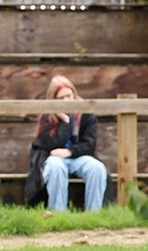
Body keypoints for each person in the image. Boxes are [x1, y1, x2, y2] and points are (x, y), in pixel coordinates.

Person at [31, 75, 107, 212]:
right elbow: (50, 146)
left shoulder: (86, 113)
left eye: (68, 96)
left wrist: (70, 152)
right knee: (56, 167)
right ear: (53, 100)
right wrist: (65, 122)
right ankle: (59, 214)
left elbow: (89, 144)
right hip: (54, 157)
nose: (66, 101)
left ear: (74, 94)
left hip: (79, 156)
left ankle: (94, 214)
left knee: (97, 168)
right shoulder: (47, 116)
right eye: (61, 98)